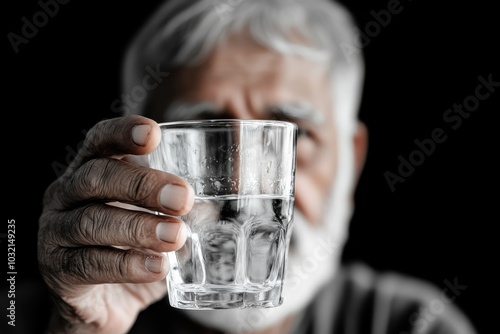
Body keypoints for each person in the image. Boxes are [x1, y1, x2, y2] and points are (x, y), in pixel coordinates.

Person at [37, 0, 478, 333]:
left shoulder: (414, 323)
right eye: (204, 136)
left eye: (295, 134)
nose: (242, 187)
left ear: (352, 159)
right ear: (138, 159)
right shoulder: (36, 312)